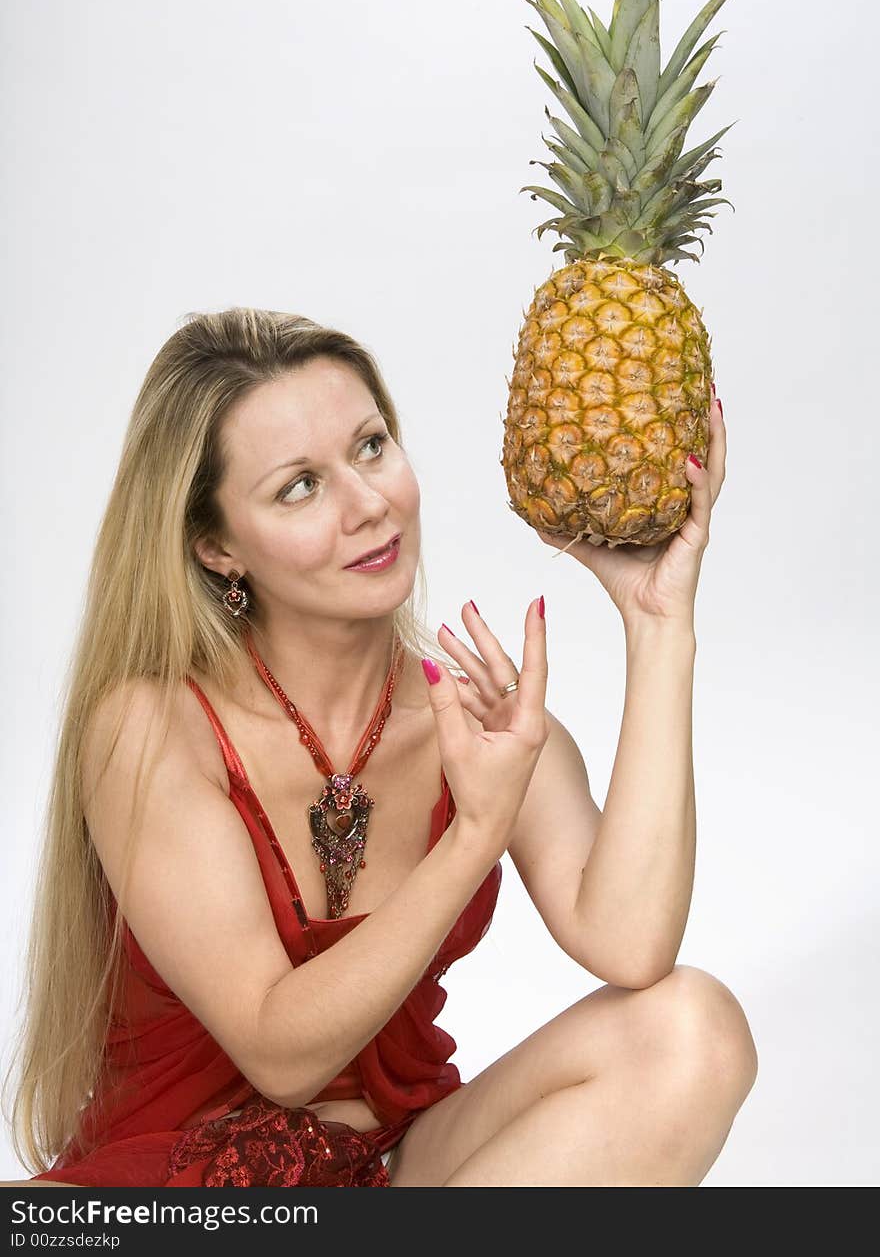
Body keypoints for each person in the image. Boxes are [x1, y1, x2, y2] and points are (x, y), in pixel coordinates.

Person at [3, 308, 756, 1188]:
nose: (369, 504)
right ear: (216, 548)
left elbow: (632, 946)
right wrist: (473, 834)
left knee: (693, 1029)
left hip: (397, 1168)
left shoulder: (479, 726)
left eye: (370, 447)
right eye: (300, 486)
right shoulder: (150, 730)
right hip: (176, 1189)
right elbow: (278, 1052)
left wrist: (658, 622)